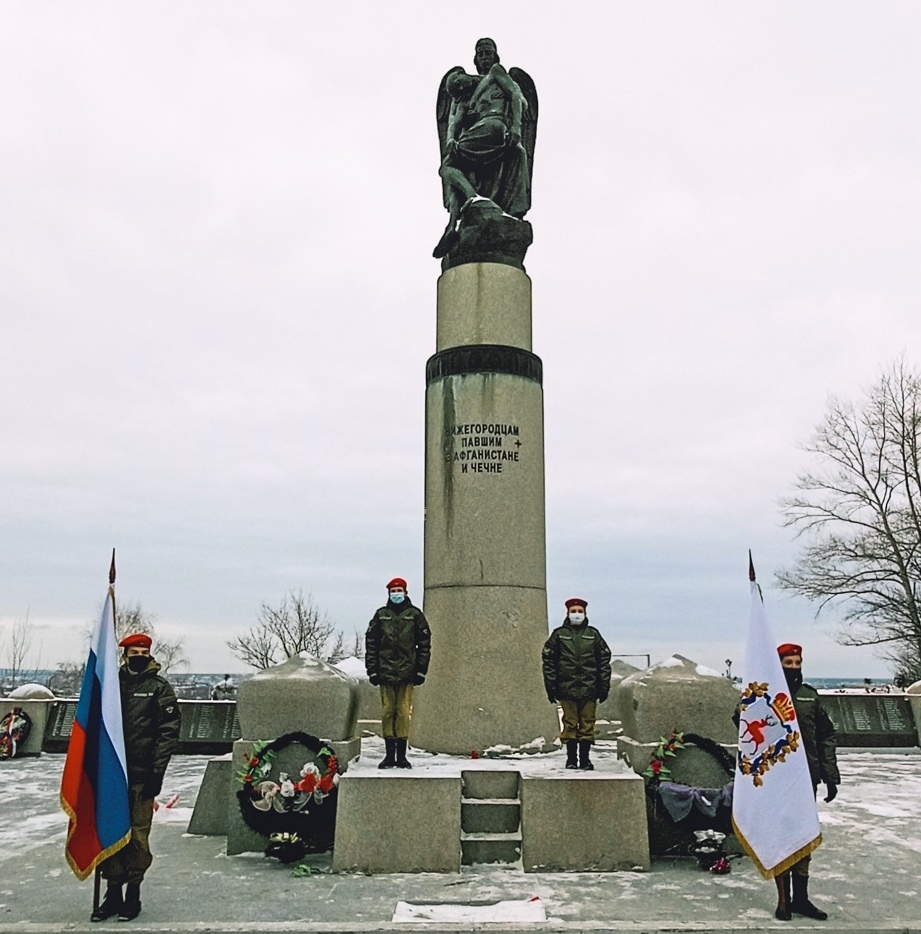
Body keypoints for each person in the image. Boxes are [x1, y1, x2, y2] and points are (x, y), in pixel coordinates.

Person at [91, 633, 181, 923]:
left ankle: (133, 892)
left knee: (138, 836)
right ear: (124, 655)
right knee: (110, 832)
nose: (139, 656)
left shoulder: (159, 688)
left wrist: (157, 773)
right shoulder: (109, 686)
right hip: (111, 775)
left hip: (142, 776)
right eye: (134, 652)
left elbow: (167, 733)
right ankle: (112, 892)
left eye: (144, 651)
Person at [434, 38, 534, 258]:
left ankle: (468, 203)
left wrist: (516, 127)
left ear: (495, 56)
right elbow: (454, 120)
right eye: (480, 54)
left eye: (488, 53)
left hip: (494, 127)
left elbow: (518, 97)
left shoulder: (496, 74)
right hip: (483, 134)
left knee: (447, 167)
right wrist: (451, 139)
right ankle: (454, 225)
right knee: (451, 165)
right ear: (475, 59)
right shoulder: (467, 96)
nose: (485, 57)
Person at [773, 642, 840, 922]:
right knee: (780, 837)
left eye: (797, 663)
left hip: (806, 778)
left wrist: (830, 775)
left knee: (803, 835)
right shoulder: (766, 695)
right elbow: (741, 725)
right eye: (788, 664)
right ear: (778, 665)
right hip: (776, 780)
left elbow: (826, 735)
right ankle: (783, 899)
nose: (794, 668)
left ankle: (801, 898)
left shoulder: (809, 697)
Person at [365, 577, 431, 769]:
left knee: (403, 712)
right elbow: (372, 643)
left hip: (407, 672)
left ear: (405, 592)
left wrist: (420, 670)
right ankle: (389, 755)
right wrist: (372, 670)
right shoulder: (381, 615)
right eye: (393, 591)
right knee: (388, 712)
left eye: (399, 590)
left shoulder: (415, 615)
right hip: (385, 672)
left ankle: (401, 756)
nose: (396, 594)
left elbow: (424, 644)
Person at [542, 598, 612, 770]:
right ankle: (571, 759)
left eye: (579, 611)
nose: (577, 614)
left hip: (589, 688)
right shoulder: (559, 635)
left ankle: (585, 760)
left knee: (588, 724)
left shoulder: (593, 635)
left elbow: (604, 661)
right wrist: (551, 687)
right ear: (567, 613)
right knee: (570, 724)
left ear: (585, 613)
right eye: (573, 611)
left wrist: (604, 686)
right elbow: (549, 662)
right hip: (566, 688)